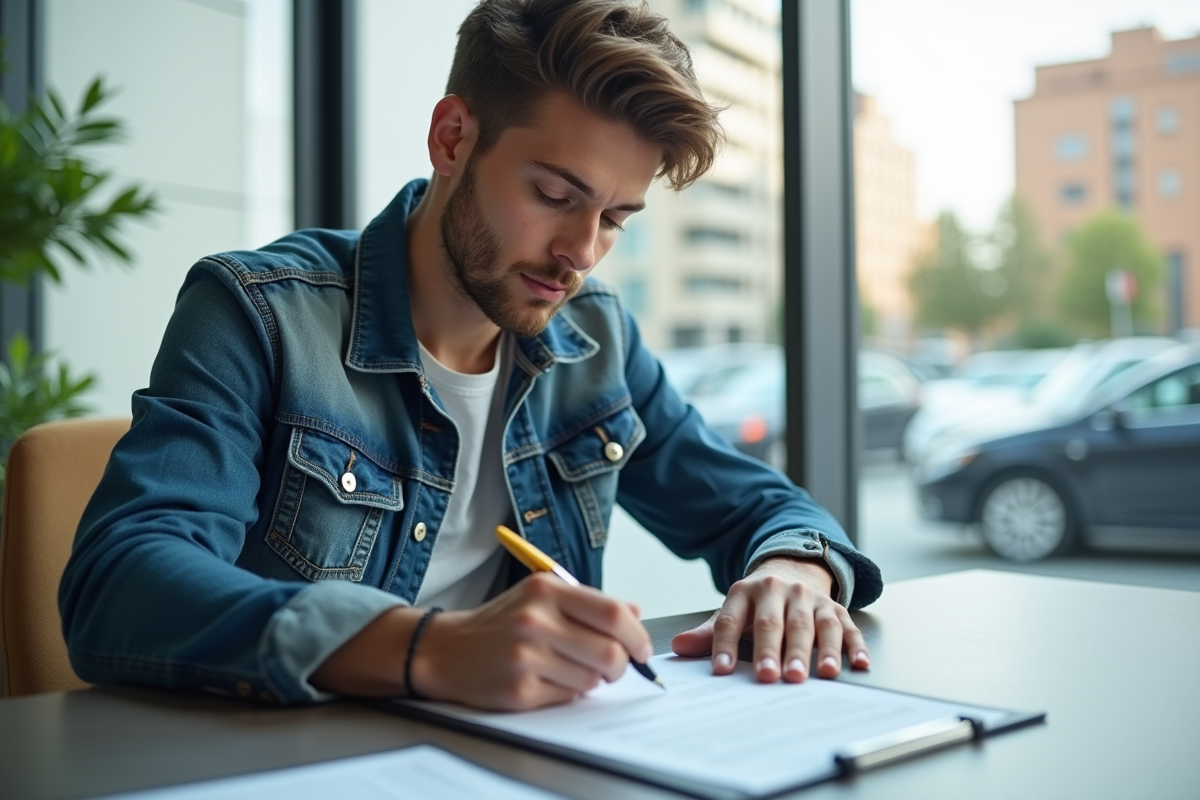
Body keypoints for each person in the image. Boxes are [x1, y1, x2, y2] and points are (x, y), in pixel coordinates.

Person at [59, 0, 882, 710]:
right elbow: (121, 582)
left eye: (615, 218)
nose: (581, 252)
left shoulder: (595, 338)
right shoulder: (256, 314)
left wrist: (794, 574)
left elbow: (755, 507)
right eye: (555, 196)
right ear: (453, 139)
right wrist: (430, 650)